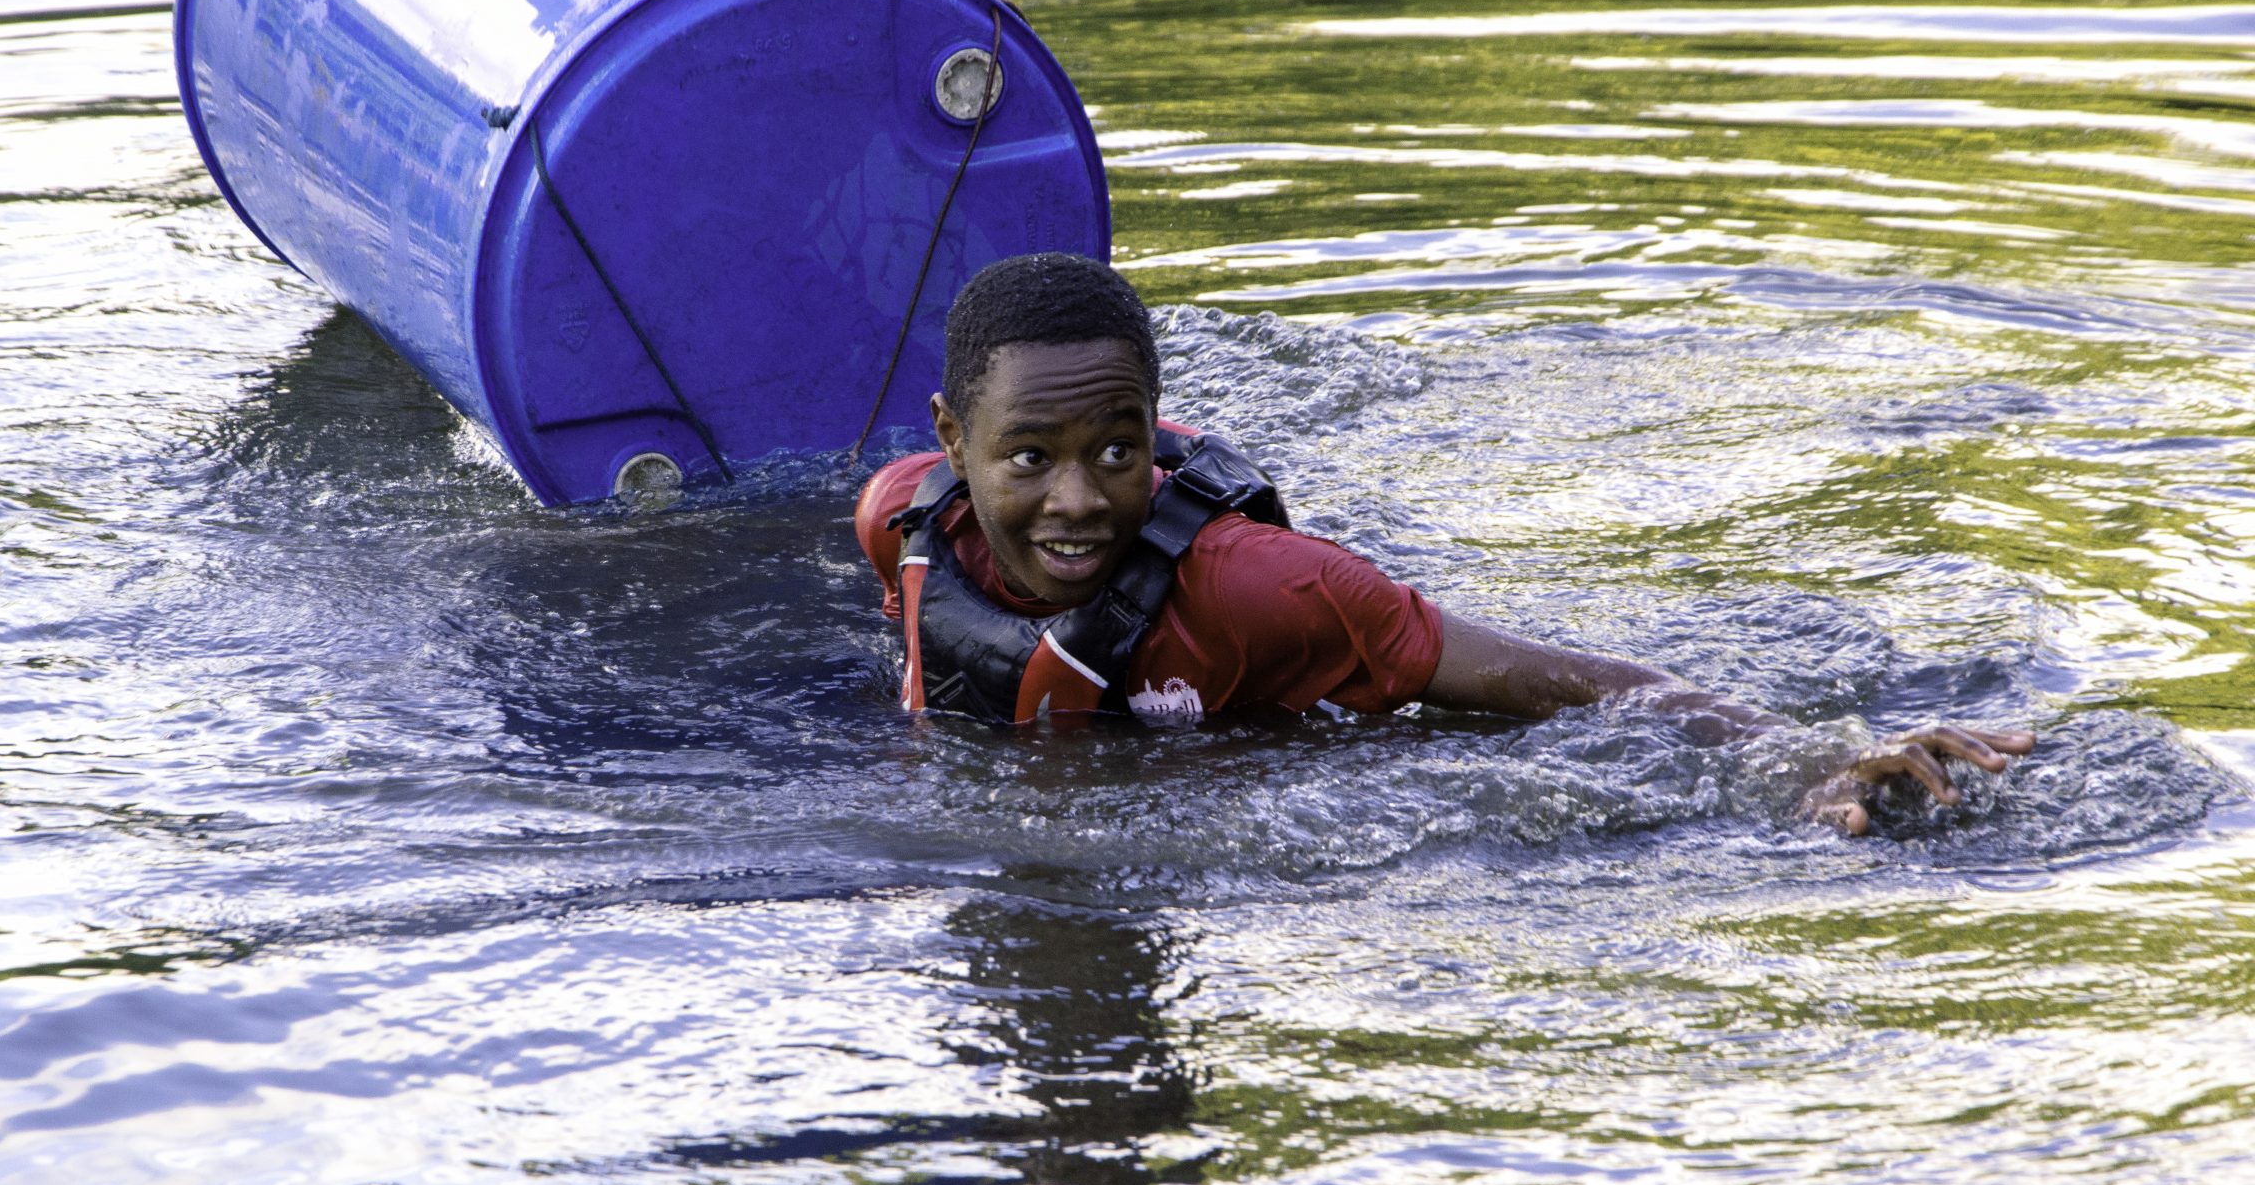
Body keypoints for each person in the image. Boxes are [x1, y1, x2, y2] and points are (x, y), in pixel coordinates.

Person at [854, 254, 2033, 835]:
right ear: (954, 445)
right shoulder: (896, 523)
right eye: (1028, 460)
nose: (1078, 500)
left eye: (1117, 452)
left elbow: (1581, 683)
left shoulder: (1270, 589)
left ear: (1153, 438)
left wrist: (1800, 760)